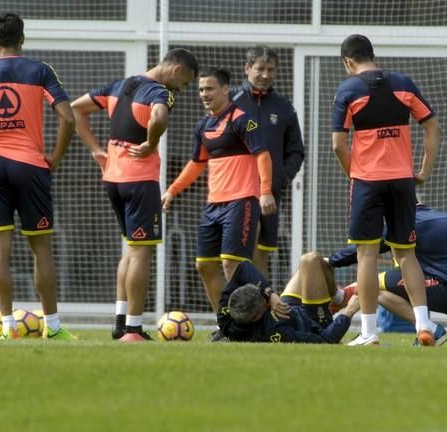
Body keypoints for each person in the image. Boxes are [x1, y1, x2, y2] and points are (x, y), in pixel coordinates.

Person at [71, 48, 198, 342]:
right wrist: (152, 142)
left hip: (113, 178)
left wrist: (95, 148)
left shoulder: (120, 85)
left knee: (130, 249)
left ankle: (120, 321)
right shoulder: (160, 92)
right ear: (176, 70)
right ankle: (133, 328)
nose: (183, 88)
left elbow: (76, 109)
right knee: (142, 252)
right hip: (140, 180)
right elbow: (159, 117)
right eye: (186, 82)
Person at [331, 34, 442, 346]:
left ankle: (369, 332)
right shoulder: (403, 83)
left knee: (366, 254)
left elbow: (338, 145)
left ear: (348, 61)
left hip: (367, 182)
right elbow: (433, 127)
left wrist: (355, 174)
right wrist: (422, 171)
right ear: (372, 55)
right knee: (406, 254)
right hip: (402, 181)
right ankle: (424, 324)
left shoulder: (348, 89)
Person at [0, 12, 76, 340]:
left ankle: (7, 328)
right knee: (41, 248)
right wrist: (55, 159)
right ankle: (54, 328)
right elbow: (69, 118)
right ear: (22, 39)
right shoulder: (40, 71)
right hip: (31, 165)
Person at [161, 68, 276, 318]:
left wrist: (265, 191)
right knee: (204, 265)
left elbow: (262, 155)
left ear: (226, 89)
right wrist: (172, 190)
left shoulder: (243, 119)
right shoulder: (203, 125)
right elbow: (196, 164)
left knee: (233, 265)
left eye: (210, 88)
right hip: (213, 206)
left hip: (241, 201)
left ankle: (253, 321)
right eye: (201, 89)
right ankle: (223, 324)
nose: (204, 94)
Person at [328, 203, 447, 347]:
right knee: (424, 278)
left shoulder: (405, 224)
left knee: (375, 288)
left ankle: (431, 329)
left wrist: (331, 262)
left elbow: (363, 250)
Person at [230, 46, 304, 278]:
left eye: (270, 69)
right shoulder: (230, 101)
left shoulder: (284, 107)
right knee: (237, 252)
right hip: (235, 190)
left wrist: (281, 178)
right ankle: (236, 305)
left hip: (270, 193)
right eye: (260, 68)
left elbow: (296, 151)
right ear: (247, 68)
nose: (265, 74)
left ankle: (259, 307)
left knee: (262, 250)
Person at [219, 251, 358, 343]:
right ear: (257, 317)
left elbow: (243, 267)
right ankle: (336, 304)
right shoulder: (275, 333)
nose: (267, 301)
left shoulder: (224, 317)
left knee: (309, 260)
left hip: (287, 307)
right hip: (310, 320)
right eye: (265, 302)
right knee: (315, 262)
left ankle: (338, 299)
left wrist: (270, 293)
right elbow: (325, 341)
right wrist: (349, 312)